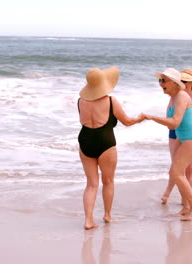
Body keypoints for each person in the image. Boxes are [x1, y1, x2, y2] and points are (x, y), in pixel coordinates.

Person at [78, 66, 144, 229]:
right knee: (108, 181)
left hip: (85, 140)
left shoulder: (80, 101)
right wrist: (141, 118)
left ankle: (88, 220)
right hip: (105, 142)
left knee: (91, 184)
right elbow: (127, 122)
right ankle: (107, 216)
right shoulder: (110, 100)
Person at [141, 68, 192, 221]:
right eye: (159, 80)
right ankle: (186, 207)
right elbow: (171, 126)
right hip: (182, 137)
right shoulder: (172, 97)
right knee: (175, 172)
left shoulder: (182, 96)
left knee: (177, 173)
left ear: (175, 83)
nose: (160, 84)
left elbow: (174, 122)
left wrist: (151, 117)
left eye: (164, 80)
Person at [161, 68, 192, 204]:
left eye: (186, 81)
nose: (183, 83)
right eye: (181, 81)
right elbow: (169, 118)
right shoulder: (175, 97)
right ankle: (167, 192)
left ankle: (185, 200)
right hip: (175, 134)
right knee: (176, 167)